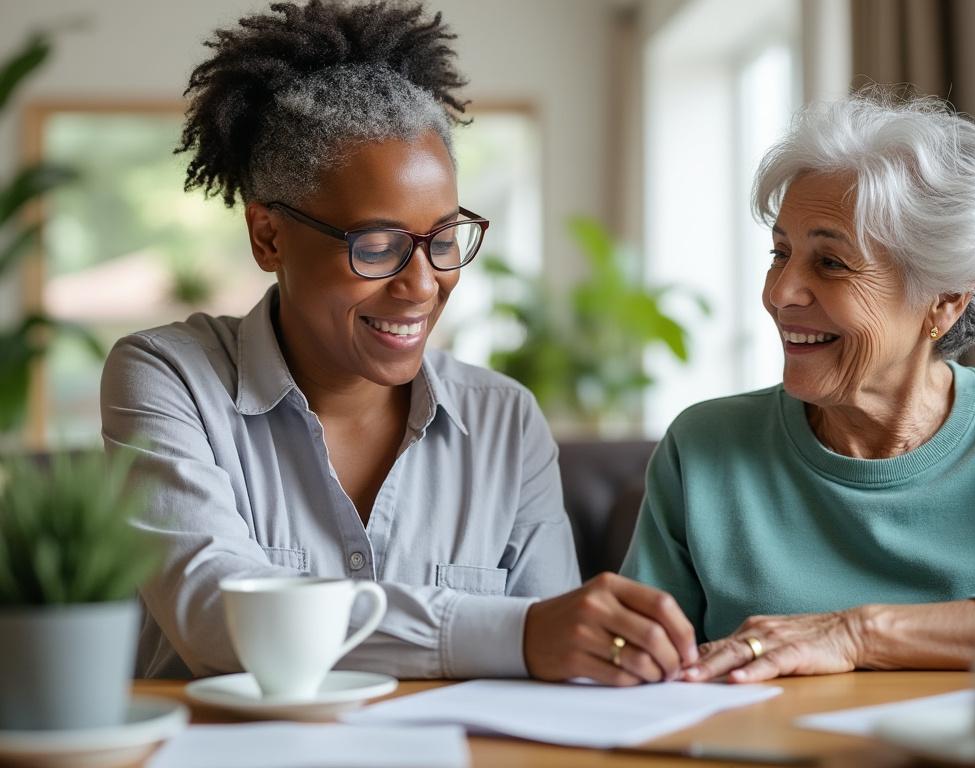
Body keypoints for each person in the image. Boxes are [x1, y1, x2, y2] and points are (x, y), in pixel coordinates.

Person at [102, 0, 697, 686]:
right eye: (378, 246)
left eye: (443, 240)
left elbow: (557, 670)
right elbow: (217, 614)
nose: (423, 284)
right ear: (269, 237)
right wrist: (514, 632)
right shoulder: (166, 378)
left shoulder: (504, 423)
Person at [622, 88, 975, 684]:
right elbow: (638, 670)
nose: (780, 293)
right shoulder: (705, 447)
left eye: (830, 263)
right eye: (779, 252)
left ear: (943, 299)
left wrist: (856, 633)